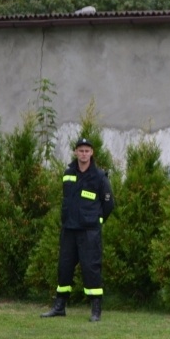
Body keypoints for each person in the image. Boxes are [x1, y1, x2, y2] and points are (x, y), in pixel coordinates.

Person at [41, 138, 115, 322]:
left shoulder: (99, 176)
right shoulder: (68, 174)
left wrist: (97, 220)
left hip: (89, 231)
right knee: (64, 267)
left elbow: (109, 203)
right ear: (75, 152)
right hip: (69, 229)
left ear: (92, 153)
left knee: (91, 268)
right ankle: (59, 307)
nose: (83, 154)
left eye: (86, 151)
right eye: (80, 150)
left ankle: (96, 310)